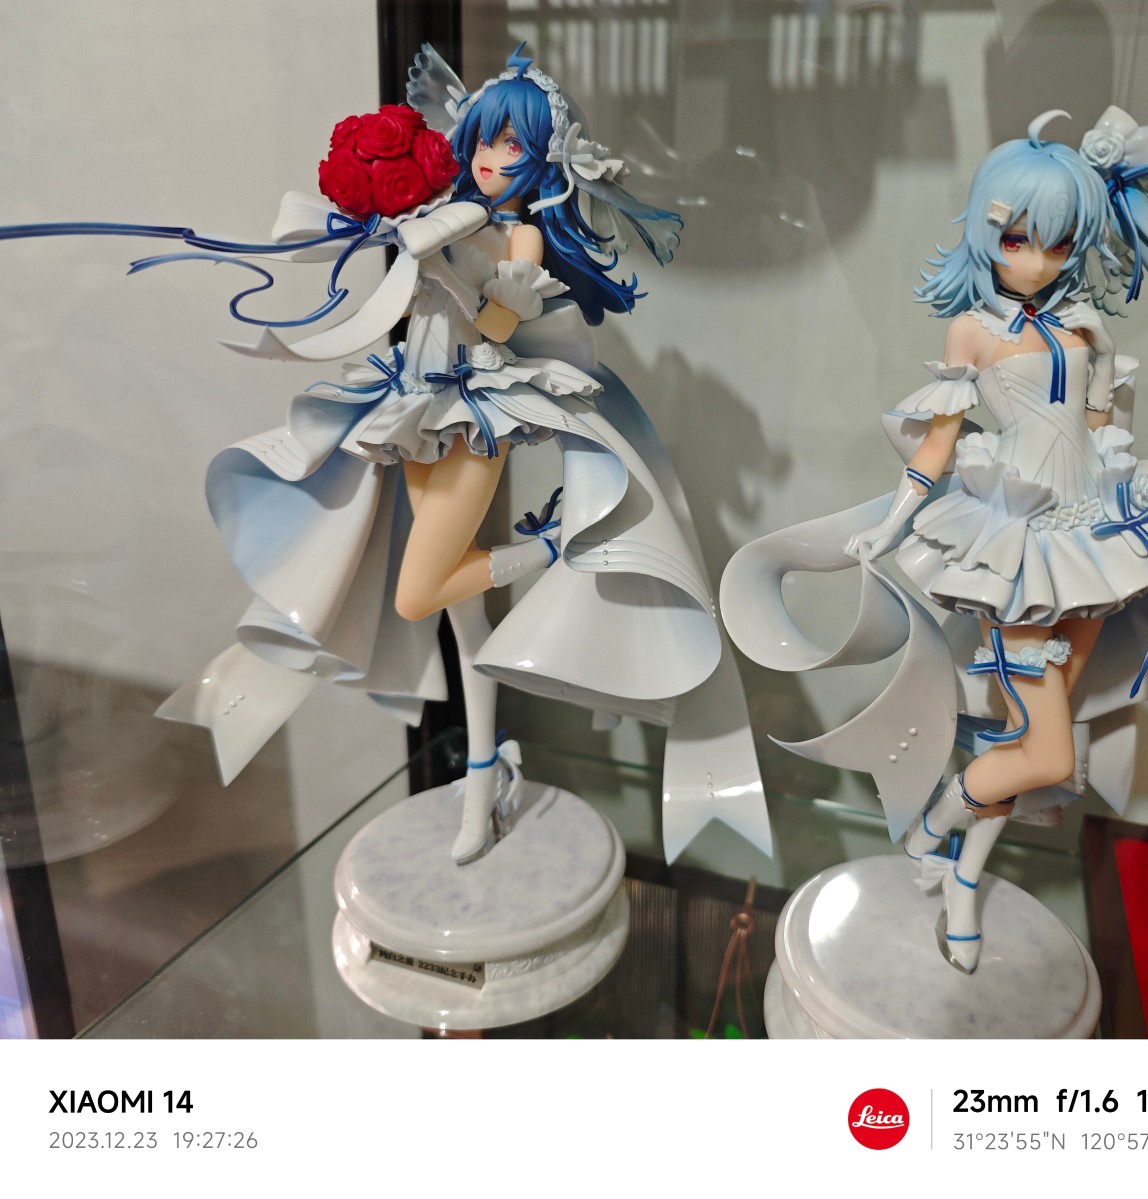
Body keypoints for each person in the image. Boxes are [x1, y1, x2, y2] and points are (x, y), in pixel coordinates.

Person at [2, 46, 771, 867]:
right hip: (411, 404)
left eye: (512, 145)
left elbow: (498, 328)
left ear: (542, 158)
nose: (491, 156)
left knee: (418, 593)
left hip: (472, 413)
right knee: (463, 621)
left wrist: (451, 262)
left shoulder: (518, 240)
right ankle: (483, 774)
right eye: (485, 137)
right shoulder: (453, 208)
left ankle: (550, 551)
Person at [721, 107, 1148, 972]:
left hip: (1092, 532)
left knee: (1027, 736)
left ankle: (966, 875)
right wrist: (890, 523)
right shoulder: (972, 332)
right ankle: (940, 818)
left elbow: (1099, 432)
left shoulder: (1081, 323)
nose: (1039, 262)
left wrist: (1106, 380)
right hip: (1020, 542)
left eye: (1059, 244)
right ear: (990, 233)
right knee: (1047, 751)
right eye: (1020, 240)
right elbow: (937, 446)